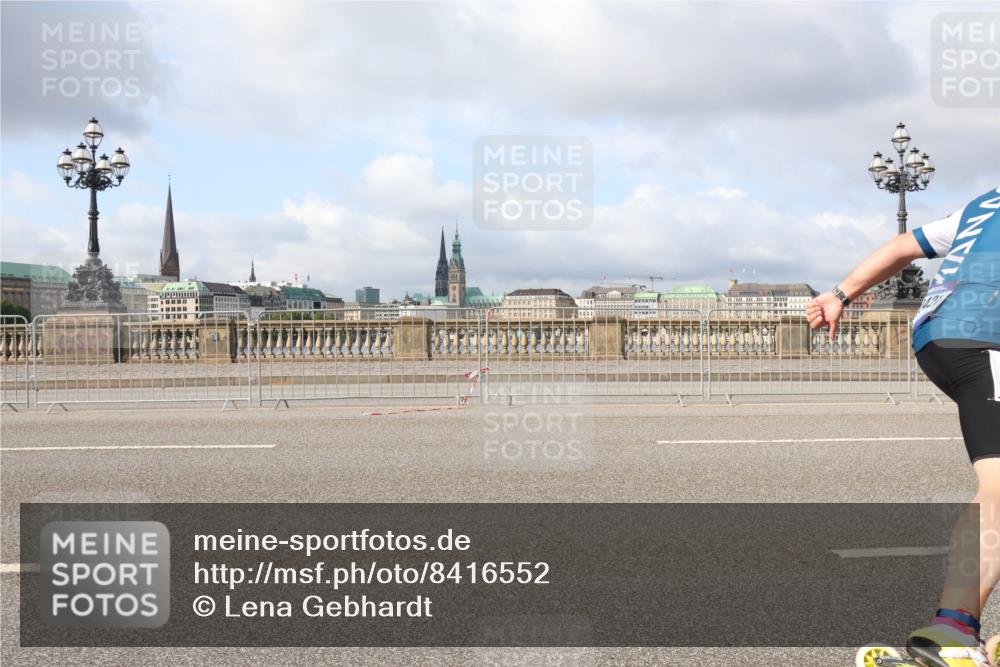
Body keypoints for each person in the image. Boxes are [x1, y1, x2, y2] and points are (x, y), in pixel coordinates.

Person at [809, 185, 1000, 667]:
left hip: (938, 336)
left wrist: (840, 295)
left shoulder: (985, 202)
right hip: (983, 335)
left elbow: (901, 247)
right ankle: (953, 629)